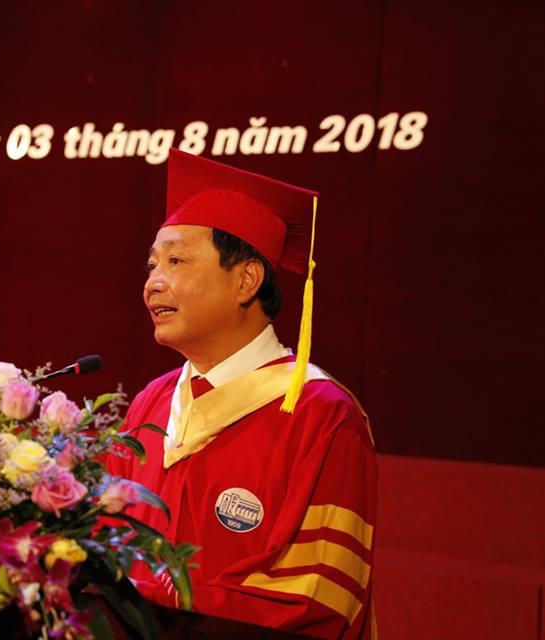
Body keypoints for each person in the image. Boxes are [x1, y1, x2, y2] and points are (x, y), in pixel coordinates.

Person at [106, 149, 377, 638]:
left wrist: (153, 610)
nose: (153, 284)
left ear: (246, 280)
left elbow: (315, 596)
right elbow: (105, 543)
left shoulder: (322, 415)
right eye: (152, 265)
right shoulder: (151, 403)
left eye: (175, 261)